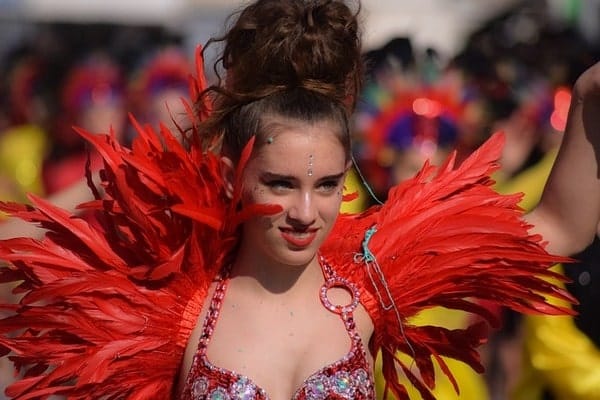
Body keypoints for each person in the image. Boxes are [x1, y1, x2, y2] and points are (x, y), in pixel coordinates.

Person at [0, 1, 599, 399]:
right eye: (280, 184)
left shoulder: (373, 283)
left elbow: (558, 226)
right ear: (235, 175)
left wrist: (588, 95)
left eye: (328, 185)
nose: (305, 213)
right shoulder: (173, 304)